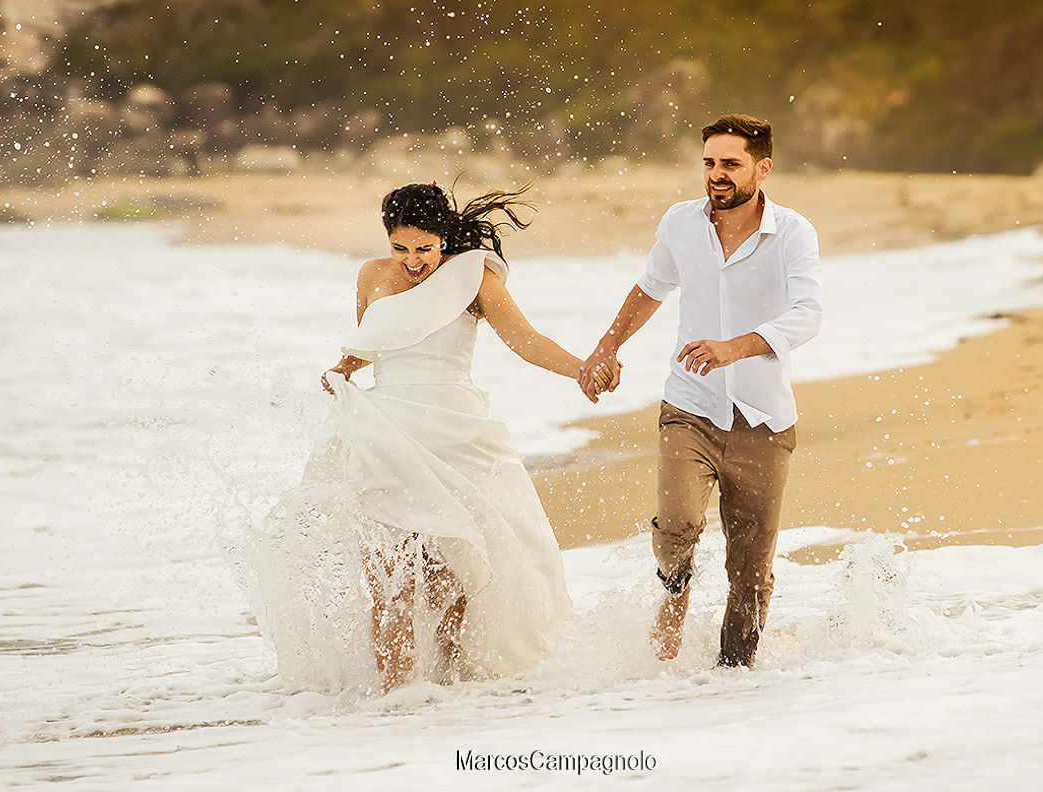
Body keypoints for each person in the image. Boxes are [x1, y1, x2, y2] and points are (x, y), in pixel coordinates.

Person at [309, 182, 581, 693]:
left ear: (444, 238)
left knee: (448, 572)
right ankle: (394, 699)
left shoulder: (472, 277)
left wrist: (582, 370)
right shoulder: (371, 275)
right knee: (388, 578)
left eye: (425, 248)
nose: (413, 262)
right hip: (387, 430)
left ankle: (448, 687)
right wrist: (342, 369)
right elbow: (377, 344)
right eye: (401, 248)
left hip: (456, 432)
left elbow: (526, 341)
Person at [579, 114, 822, 668]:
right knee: (679, 527)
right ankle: (676, 590)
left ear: (763, 167)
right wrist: (606, 348)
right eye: (710, 163)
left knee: (751, 574)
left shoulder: (792, 232)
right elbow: (649, 288)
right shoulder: (680, 224)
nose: (717, 174)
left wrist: (735, 347)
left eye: (731, 164)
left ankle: (732, 686)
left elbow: (809, 315)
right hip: (690, 407)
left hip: (764, 420)